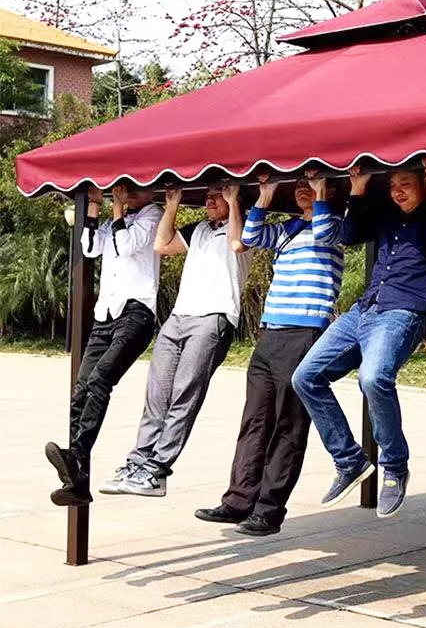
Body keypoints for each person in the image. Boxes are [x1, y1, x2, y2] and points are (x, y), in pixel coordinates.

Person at [292, 158, 426, 519]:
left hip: (404, 311)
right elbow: (348, 236)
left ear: (424, 185)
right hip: (365, 309)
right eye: (393, 183)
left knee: (373, 377)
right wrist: (359, 189)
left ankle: (394, 466)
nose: (397, 190)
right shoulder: (386, 214)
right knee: (305, 378)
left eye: (406, 182)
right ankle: (349, 461)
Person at [195, 172, 343, 536]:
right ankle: (238, 501)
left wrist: (321, 193)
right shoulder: (288, 229)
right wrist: (266, 193)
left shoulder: (338, 224)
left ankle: (269, 509)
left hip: (305, 332)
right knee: (255, 420)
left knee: (288, 425)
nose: (303, 190)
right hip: (270, 331)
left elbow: (324, 233)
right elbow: (248, 238)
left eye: (312, 185)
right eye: (300, 186)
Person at [100, 184, 251, 497]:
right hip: (179, 317)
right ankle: (138, 462)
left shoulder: (246, 228)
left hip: (213, 318)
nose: (209, 200)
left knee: (184, 395)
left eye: (217, 194)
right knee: (156, 394)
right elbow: (162, 245)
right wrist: (172, 205)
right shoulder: (198, 229)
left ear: (233, 197)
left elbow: (237, 244)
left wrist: (234, 202)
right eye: (207, 195)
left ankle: (157, 470)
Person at [45, 183, 162, 506]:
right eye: (124, 189)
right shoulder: (116, 221)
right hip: (106, 312)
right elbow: (89, 247)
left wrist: (117, 208)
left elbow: (126, 246)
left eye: (135, 188)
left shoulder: (153, 215)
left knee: (100, 381)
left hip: (136, 312)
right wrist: (94, 208)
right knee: (82, 387)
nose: (128, 193)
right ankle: (77, 478)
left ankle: (77, 454)